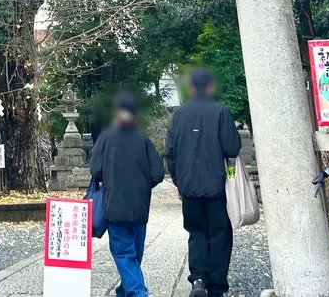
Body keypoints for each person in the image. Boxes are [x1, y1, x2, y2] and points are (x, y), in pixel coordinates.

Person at [166, 69, 242, 297]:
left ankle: (198, 279)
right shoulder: (220, 112)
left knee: (196, 232)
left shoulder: (179, 115)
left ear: (190, 89)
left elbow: (170, 153)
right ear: (210, 87)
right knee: (219, 233)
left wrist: (179, 182)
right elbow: (232, 148)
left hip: (189, 186)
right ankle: (217, 285)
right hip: (216, 186)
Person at [90, 91, 166, 297]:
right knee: (134, 253)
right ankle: (124, 290)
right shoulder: (143, 139)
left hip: (114, 205)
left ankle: (137, 293)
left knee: (124, 253)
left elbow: (95, 170)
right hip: (139, 207)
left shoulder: (106, 137)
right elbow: (158, 173)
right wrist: (142, 185)